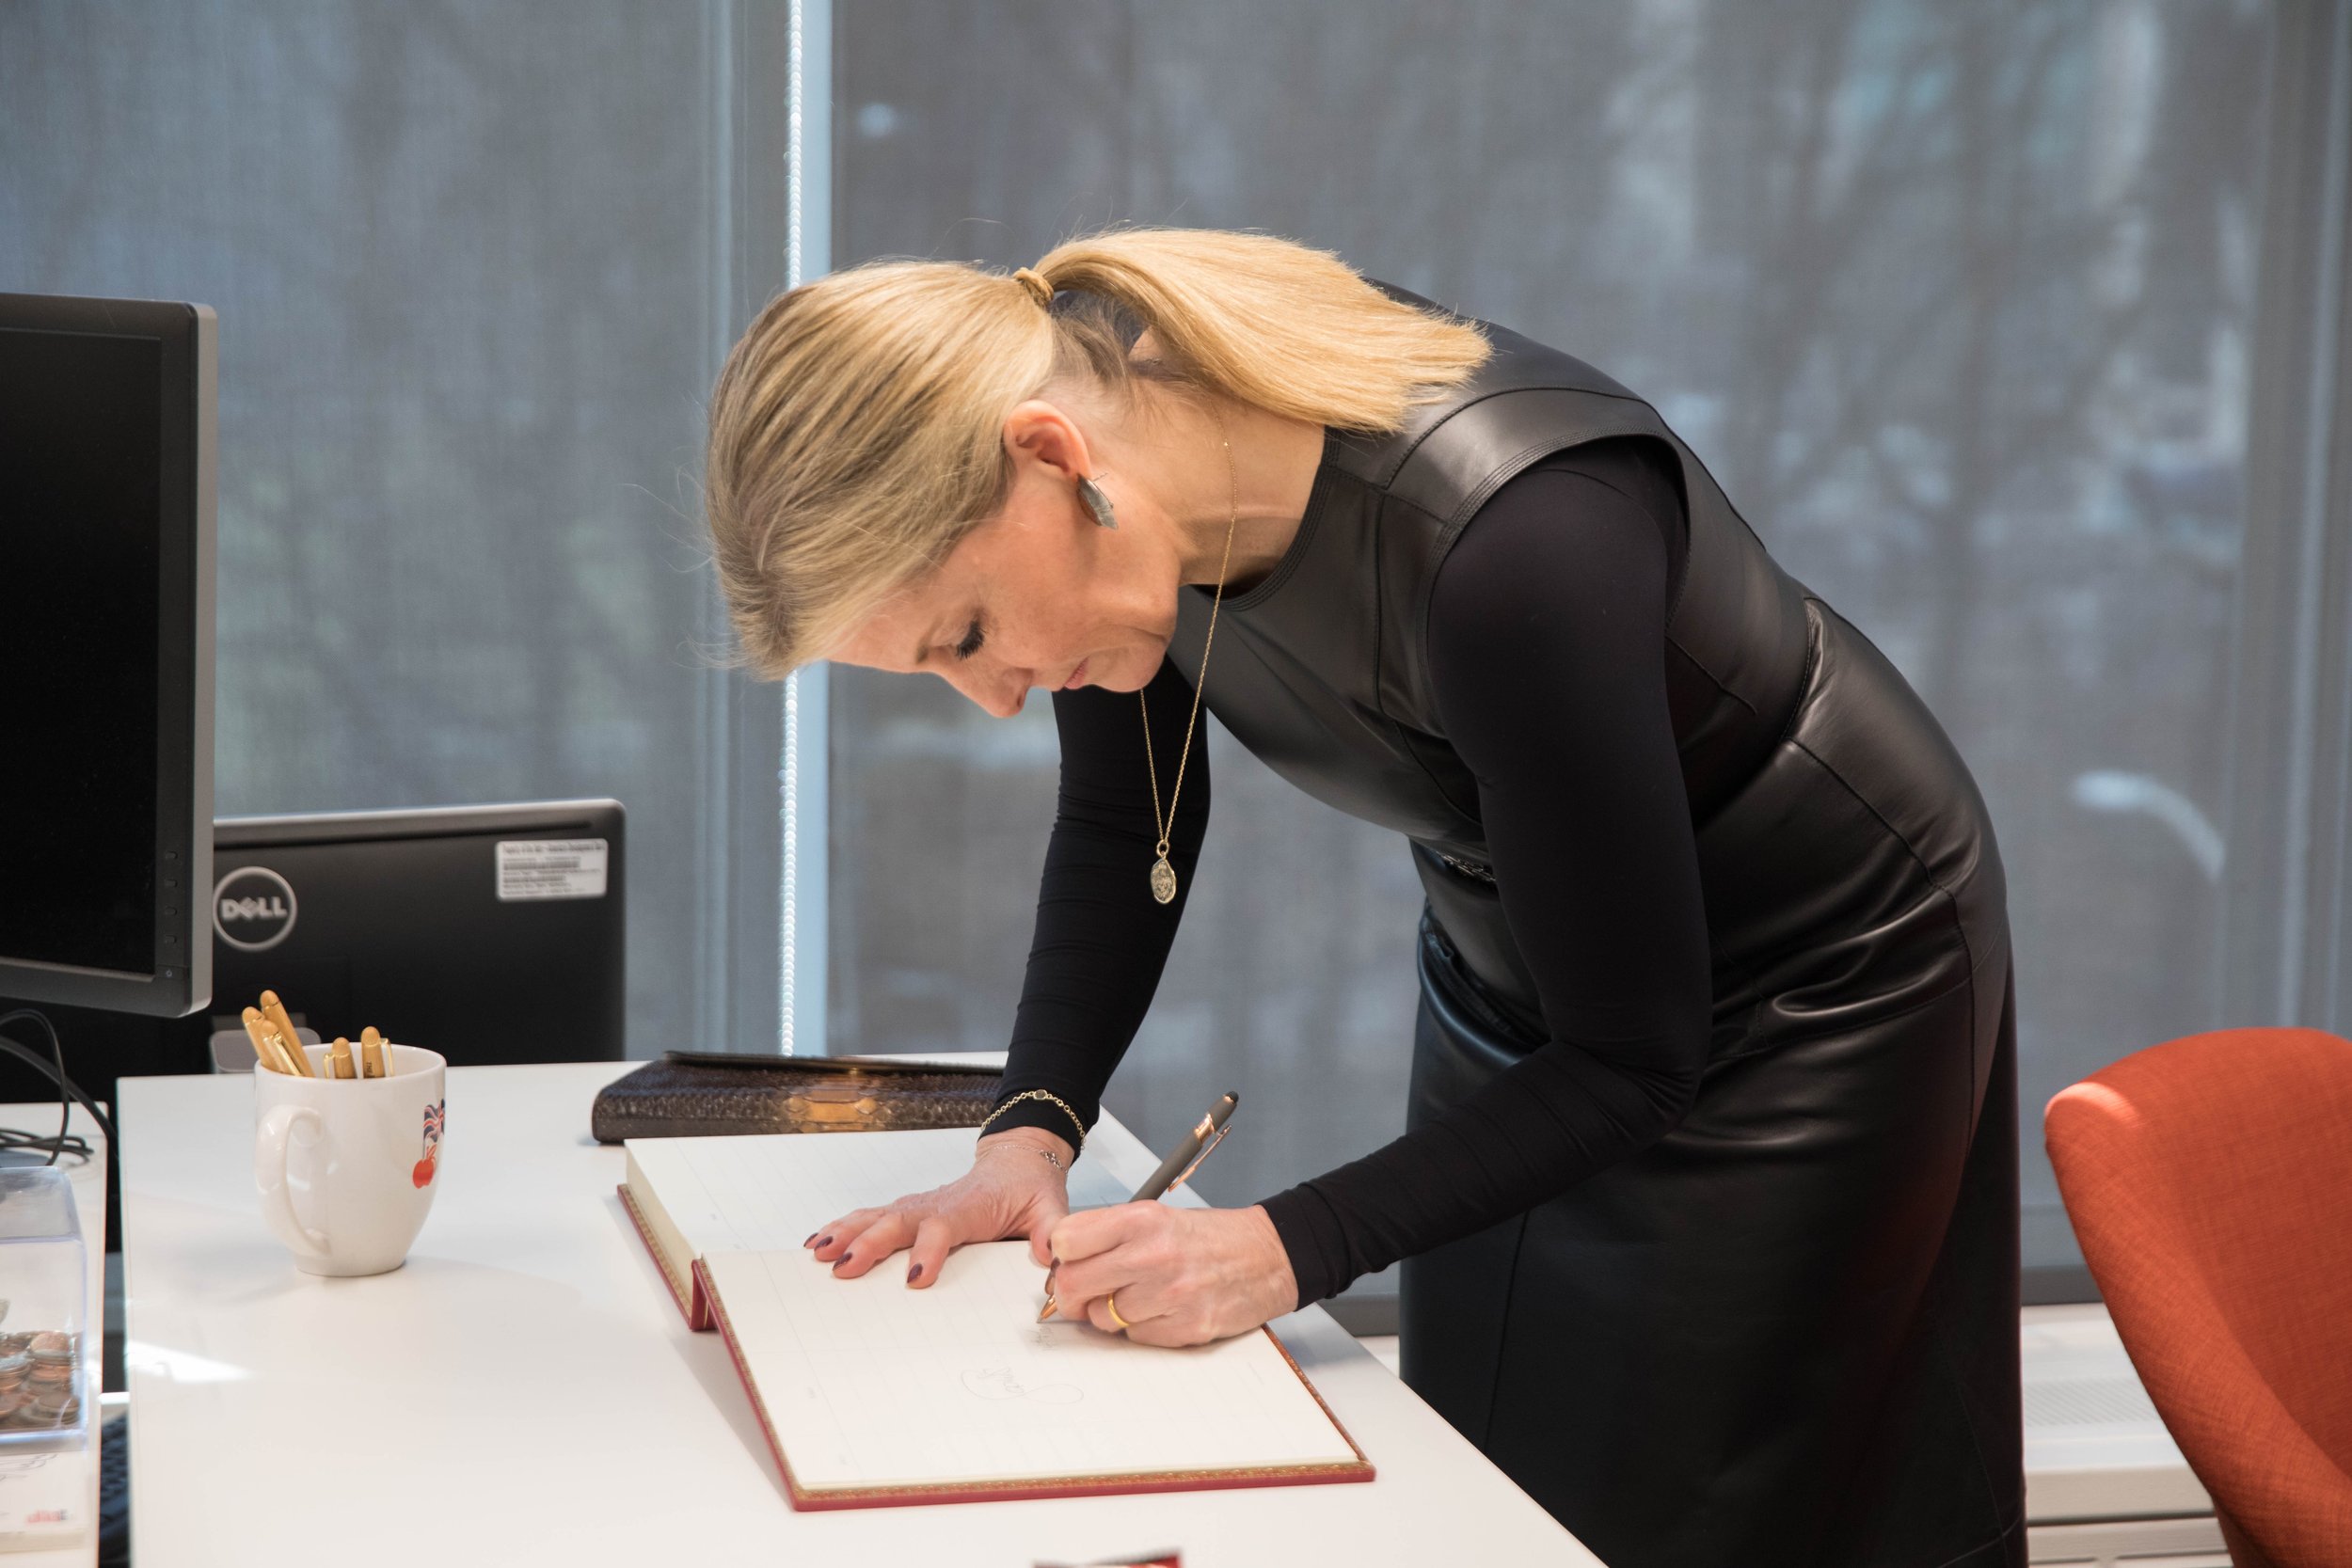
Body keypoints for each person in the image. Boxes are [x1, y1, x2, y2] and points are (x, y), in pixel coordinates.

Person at [702, 228, 2023, 1568]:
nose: (988, 697)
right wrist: (1024, 1141)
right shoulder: (1122, 453)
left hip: (1820, 963)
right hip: (1522, 945)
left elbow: (1633, 1054)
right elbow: (1126, 824)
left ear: (1050, 459)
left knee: (1706, 1504)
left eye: (967, 636)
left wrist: (1278, 1249)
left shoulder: (1520, 549)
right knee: (1480, 1471)